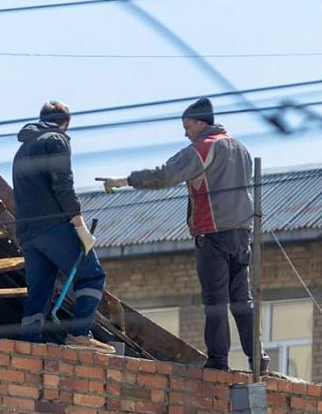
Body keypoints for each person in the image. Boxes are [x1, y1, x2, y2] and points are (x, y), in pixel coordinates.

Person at [97, 98, 269, 371]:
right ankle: (258, 358)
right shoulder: (240, 148)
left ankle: (218, 361)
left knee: (215, 301)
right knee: (242, 300)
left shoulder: (203, 148)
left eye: (187, 126)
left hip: (212, 235)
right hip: (241, 233)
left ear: (201, 124)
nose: (185, 133)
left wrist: (126, 180)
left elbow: (165, 175)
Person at [13, 101, 114, 354]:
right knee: (92, 273)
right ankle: (80, 334)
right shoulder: (57, 140)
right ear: (66, 122)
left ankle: (29, 340)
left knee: (40, 288)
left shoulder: (23, 148)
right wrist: (79, 226)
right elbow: (63, 185)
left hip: (27, 232)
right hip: (52, 226)